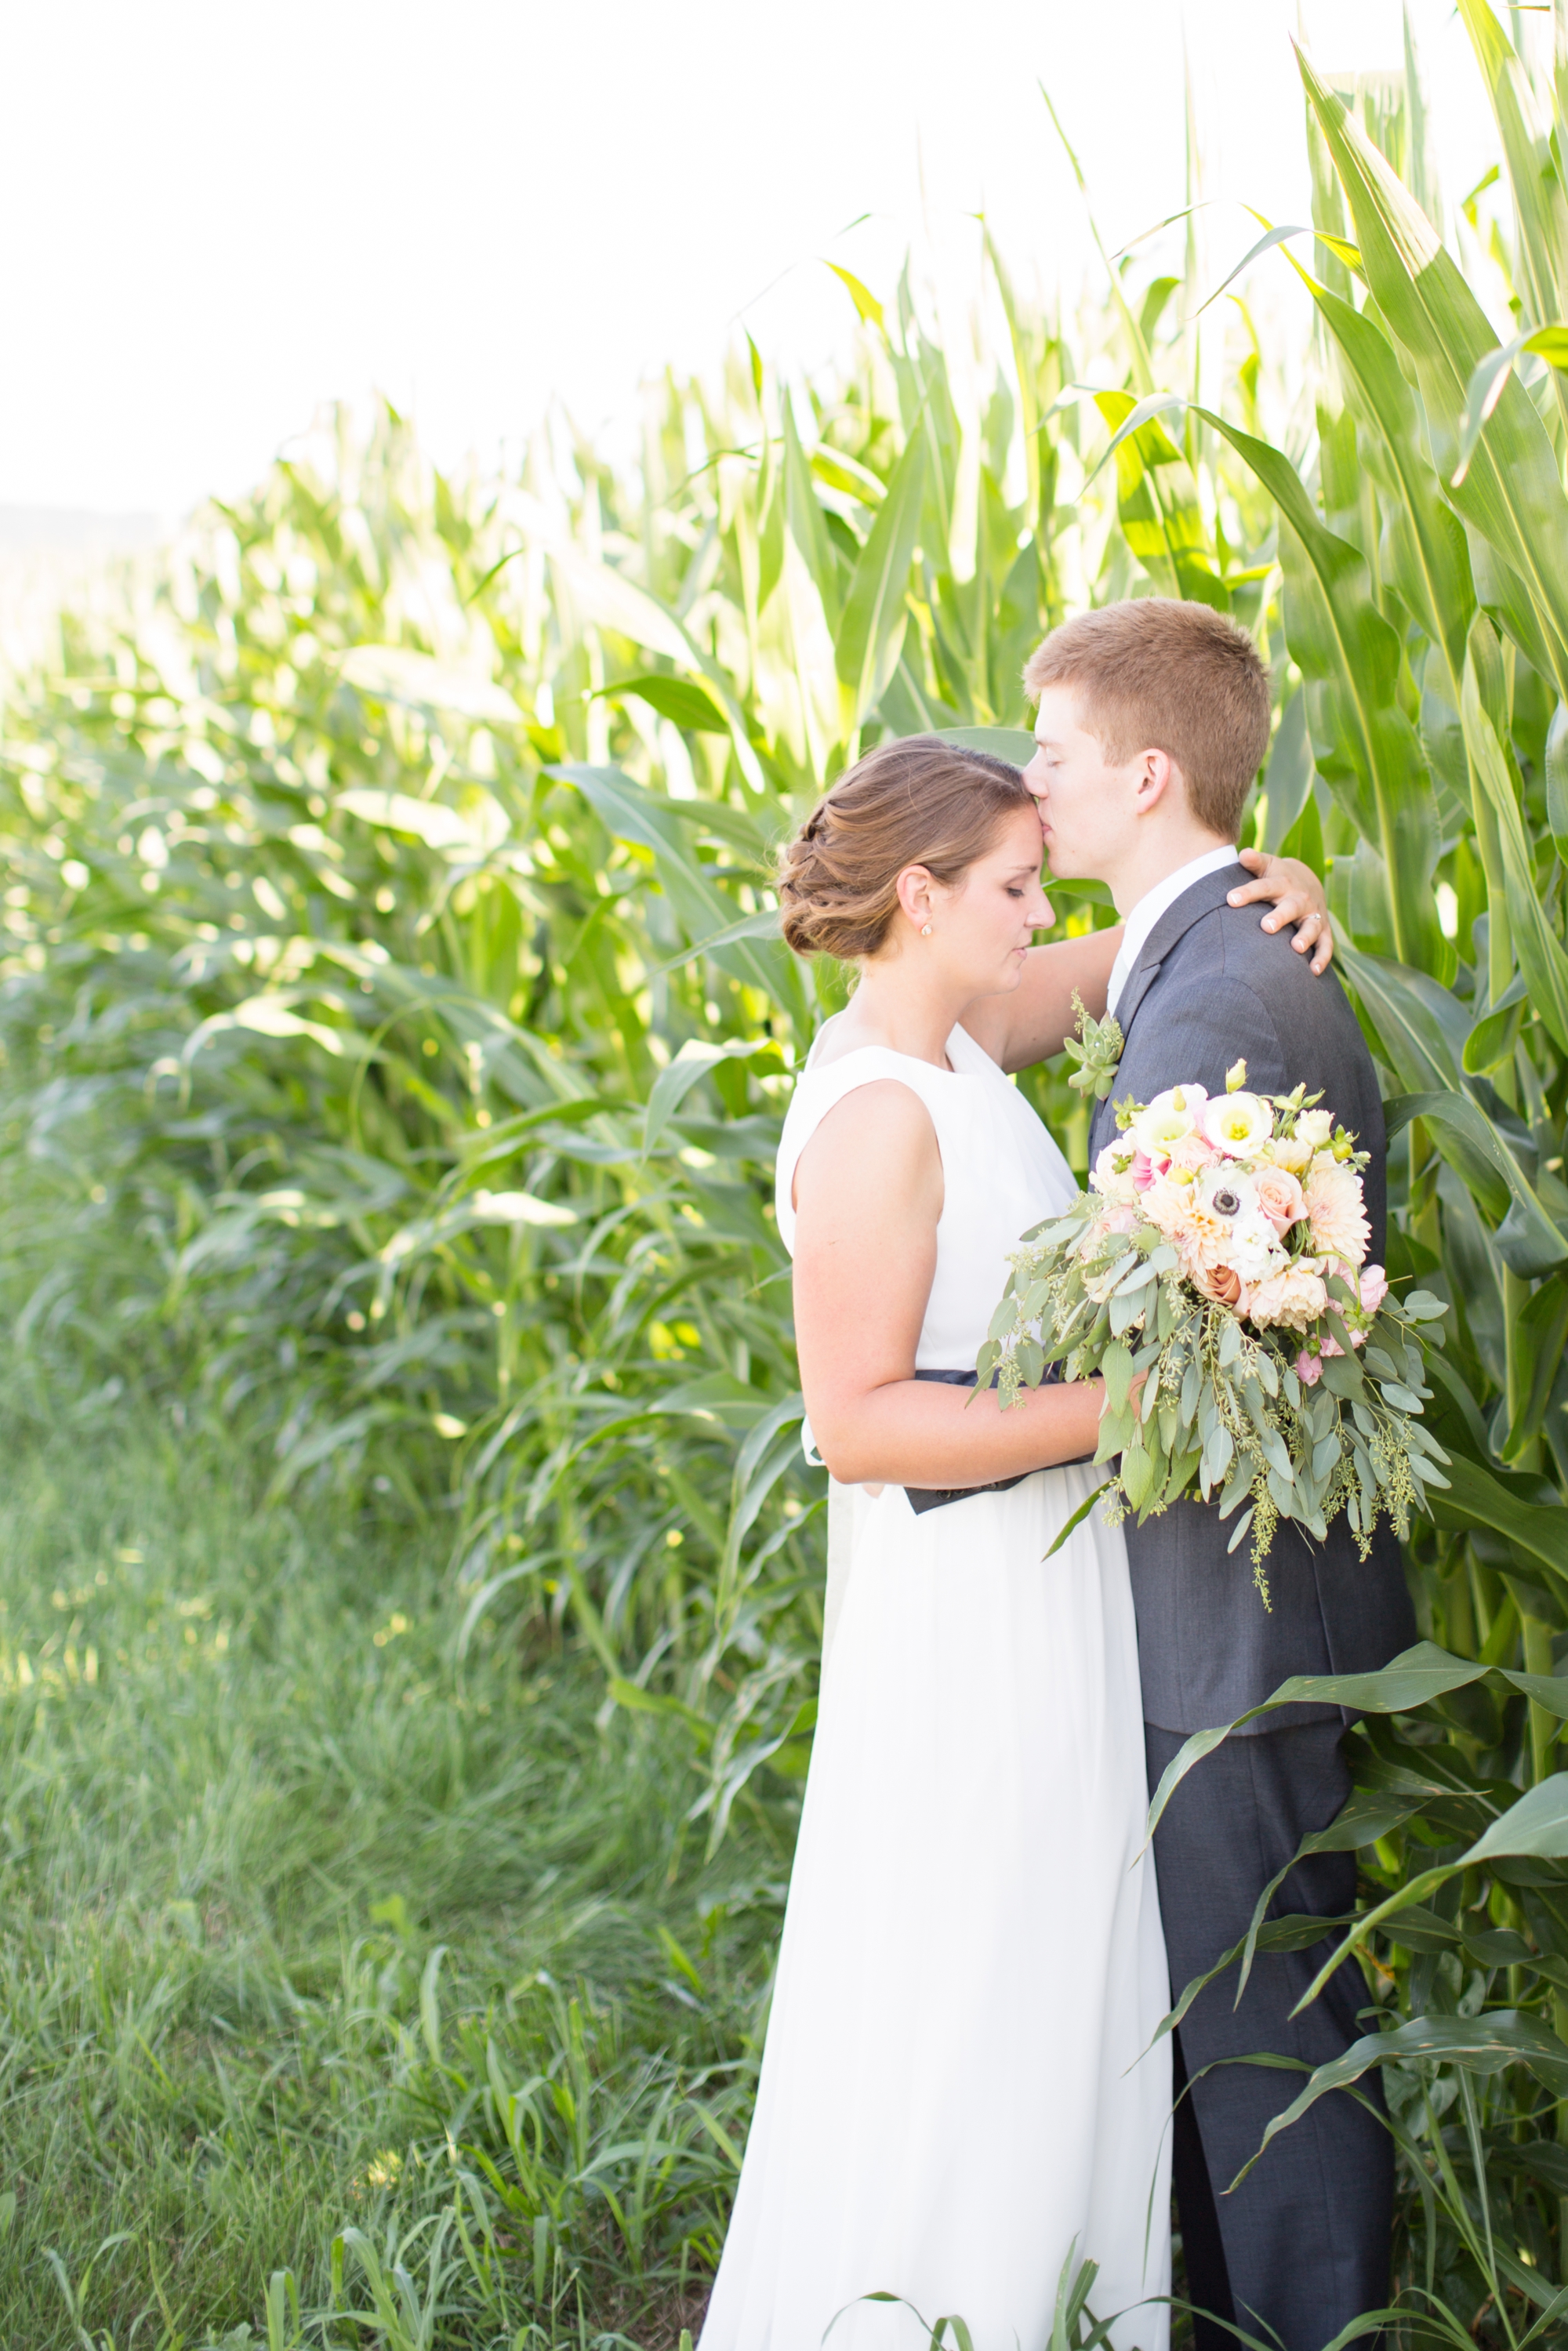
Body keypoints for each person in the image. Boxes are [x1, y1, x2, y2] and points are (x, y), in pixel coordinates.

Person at [697, 731, 1335, 2351]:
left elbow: (1135, 945)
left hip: (1049, 1593)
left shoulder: (967, 1029)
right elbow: (857, 1424)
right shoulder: (876, 1119)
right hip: (966, 1613)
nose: (1037, 906)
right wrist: (1131, 1402)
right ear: (919, 896)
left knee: (1058, 1959)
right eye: (1010, 884)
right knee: (974, 1961)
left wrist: (1269, 891)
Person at [1025, 598, 1415, 2351]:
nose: (1031, 795)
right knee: (1237, 2022)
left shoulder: (1223, 1000)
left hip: (1237, 1619)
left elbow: (1171, 1344)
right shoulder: (1202, 956)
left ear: (1147, 774)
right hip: (1239, 1605)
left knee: (1266, 2033)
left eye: (1050, 759)